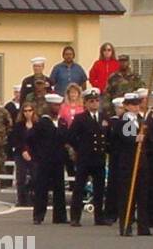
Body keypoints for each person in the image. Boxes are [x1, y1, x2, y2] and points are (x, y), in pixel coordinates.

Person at [66, 88, 111, 226]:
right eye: (91, 101)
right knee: (79, 188)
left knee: (99, 189)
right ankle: (75, 217)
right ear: (85, 103)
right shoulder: (80, 118)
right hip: (85, 158)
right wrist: (80, 148)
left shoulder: (104, 118)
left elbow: (108, 136)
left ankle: (99, 217)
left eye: (97, 101)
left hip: (99, 158)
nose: (95, 104)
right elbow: (70, 136)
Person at [112, 92, 152, 236]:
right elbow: (125, 137)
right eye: (133, 104)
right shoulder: (123, 120)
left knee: (143, 196)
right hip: (128, 162)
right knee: (127, 196)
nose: (136, 107)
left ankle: (143, 226)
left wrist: (145, 136)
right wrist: (137, 138)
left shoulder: (141, 119)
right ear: (127, 106)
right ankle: (126, 225)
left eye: (137, 104)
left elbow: (150, 137)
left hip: (141, 162)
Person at [26, 93, 68, 224]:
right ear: (49, 106)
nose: (57, 107)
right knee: (42, 188)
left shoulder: (61, 122)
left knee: (59, 188)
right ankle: (38, 216)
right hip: (44, 161)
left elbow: (65, 139)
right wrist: (38, 155)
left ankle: (60, 216)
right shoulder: (42, 123)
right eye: (55, 105)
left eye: (59, 105)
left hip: (58, 160)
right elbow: (31, 139)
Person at [9, 101, 37, 207]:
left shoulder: (37, 125)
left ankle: (33, 197)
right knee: (21, 177)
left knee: (35, 176)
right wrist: (23, 151)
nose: (27, 113)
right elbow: (15, 140)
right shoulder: (19, 125)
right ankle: (21, 199)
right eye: (25, 111)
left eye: (30, 110)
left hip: (34, 154)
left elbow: (40, 141)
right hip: (21, 154)